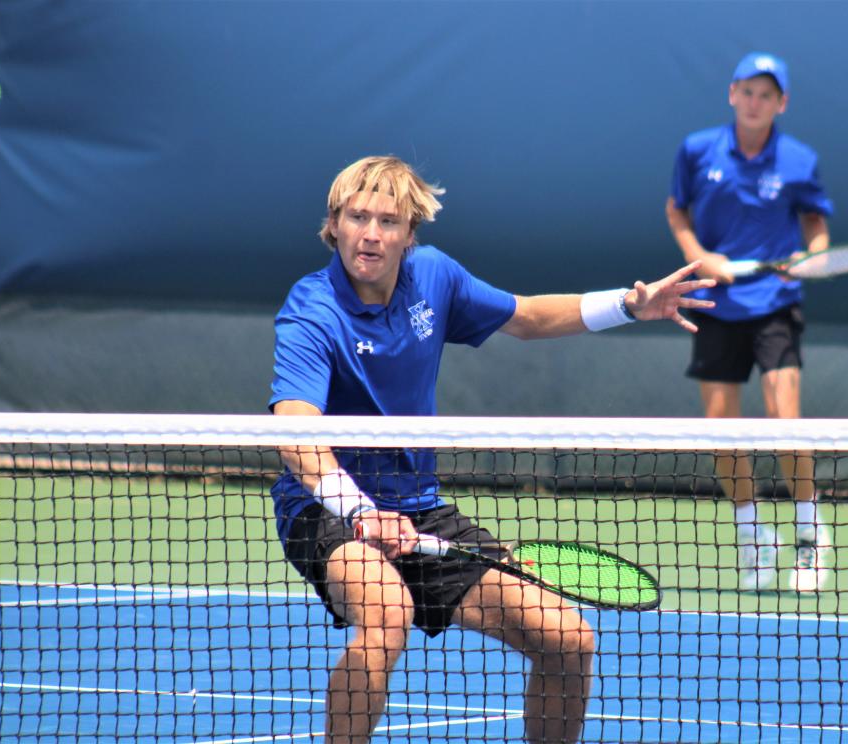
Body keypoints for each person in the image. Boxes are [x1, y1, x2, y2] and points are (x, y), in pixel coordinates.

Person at [269, 155, 715, 744]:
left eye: (388, 221)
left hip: (419, 508)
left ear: (409, 233)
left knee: (567, 639)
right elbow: (296, 431)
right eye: (357, 217)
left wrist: (628, 306)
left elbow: (527, 316)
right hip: (326, 509)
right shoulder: (312, 309)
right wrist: (360, 512)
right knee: (386, 616)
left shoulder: (432, 277)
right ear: (334, 224)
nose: (371, 234)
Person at [665, 52, 835, 593]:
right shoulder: (696, 151)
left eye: (768, 94)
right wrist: (700, 256)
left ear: (781, 102)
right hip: (717, 299)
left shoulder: (800, 160)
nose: (756, 102)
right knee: (722, 429)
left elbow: (815, 222)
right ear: (732, 94)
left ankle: (809, 536)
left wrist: (816, 253)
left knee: (783, 419)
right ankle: (754, 535)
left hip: (776, 302)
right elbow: (677, 210)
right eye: (748, 91)